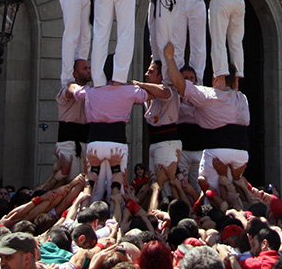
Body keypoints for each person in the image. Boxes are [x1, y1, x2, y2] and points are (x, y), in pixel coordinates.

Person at [164, 42, 250, 194]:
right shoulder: (241, 98)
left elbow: (179, 83)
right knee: (233, 193)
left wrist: (170, 58)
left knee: (211, 194)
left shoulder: (209, 96)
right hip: (242, 155)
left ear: (216, 78)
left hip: (218, 152)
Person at [68, 80, 148, 201]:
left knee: (94, 189)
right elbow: (151, 94)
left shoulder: (91, 90)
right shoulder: (130, 90)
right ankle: (116, 211)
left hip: (95, 142)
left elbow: (73, 90)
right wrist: (137, 84)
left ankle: (89, 210)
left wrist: (79, 83)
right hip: (117, 142)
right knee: (118, 187)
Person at [133, 59, 181, 195]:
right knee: (155, 183)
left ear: (161, 76)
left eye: (151, 72)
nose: (146, 74)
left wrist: (139, 84)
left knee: (165, 185)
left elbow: (163, 93)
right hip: (154, 142)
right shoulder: (148, 94)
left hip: (167, 142)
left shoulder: (169, 90)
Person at [55, 58, 91, 182]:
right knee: (71, 181)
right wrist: (82, 90)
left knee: (85, 182)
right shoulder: (67, 90)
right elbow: (72, 90)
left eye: (89, 68)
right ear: (75, 73)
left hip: (84, 140)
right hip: (69, 142)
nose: (89, 71)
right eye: (85, 68)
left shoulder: (90, 92)